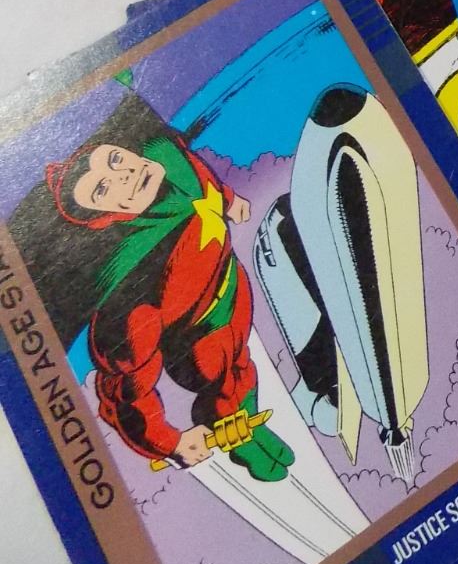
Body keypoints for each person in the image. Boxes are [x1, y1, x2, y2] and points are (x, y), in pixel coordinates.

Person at [6, 98, 293, 480]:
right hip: (197, 336)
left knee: (239, 368)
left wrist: (229, 200)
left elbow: (199, 180)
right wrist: (168, 443)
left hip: (230, 287)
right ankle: (239, 435)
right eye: (103, 188)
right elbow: (125, 392)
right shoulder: (130, 298)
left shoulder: (164, 156)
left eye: (113, 160)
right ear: (106, 219)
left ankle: (245, 423)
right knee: (219, 367)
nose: (124, 174)